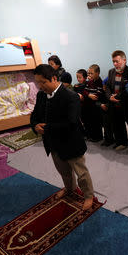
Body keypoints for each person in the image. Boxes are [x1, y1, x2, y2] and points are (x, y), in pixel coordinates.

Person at [30, 64, 94, 210]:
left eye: (43, 82)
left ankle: (88, 195)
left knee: (81, 173)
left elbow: (71, 123)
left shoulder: (71, 96)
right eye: (38, 82)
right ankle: (69, 188)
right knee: (63, 171)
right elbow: (34, 116)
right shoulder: (41, 95)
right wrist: (35, 126)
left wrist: (46, 128)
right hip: (53, 142)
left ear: (53, 78)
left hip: (71, 142)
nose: (40, 86)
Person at [105, 50, 128, 151]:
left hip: (127, 104)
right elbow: (108, 87)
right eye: (113, 61)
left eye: (117, 61)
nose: (115, 64)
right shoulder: (111, 72)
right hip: (114, 104)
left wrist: (117, 97)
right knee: (118, 125)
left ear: (124, 60)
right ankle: (122, 142)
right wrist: (110, 97)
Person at [81, 64, 104, 142]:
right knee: (89, 122)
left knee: (96, 123)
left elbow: (97, 96)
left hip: (96, 106)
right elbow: (84, 91)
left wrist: (89, 95)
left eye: (91, 73)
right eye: (88, 73)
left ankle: (98, 137)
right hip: (89, 105)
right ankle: (91, 135)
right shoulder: (89, 82)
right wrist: (89, 94)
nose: (89, 75)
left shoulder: (100, 82)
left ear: (97, 73)